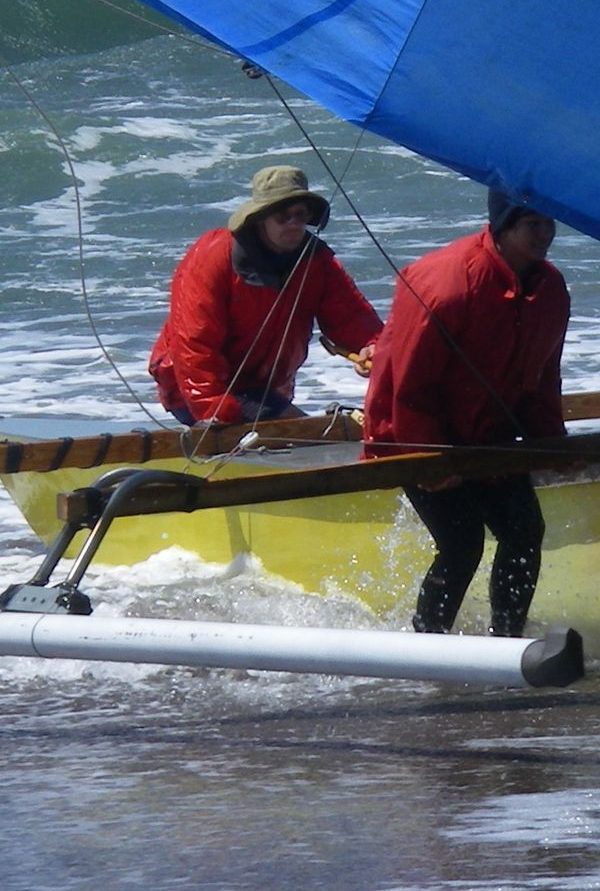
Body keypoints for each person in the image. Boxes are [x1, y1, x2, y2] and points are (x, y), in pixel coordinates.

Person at [363, 187, 570, 637]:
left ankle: (507, 640)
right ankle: (427, 643)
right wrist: (430, 459)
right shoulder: (449, 286)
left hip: (489, 433)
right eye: (532, 224)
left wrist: (552, 443)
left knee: (524, 531)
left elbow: (542, 375)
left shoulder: (549, 288)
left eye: (549, 223)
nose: (544, 234)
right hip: (409, 430)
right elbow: (410, 385)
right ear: (503, 226)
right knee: (462, 543)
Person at [147, 164, 382, 427]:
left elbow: (352, 318)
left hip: (266, 390)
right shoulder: (213, 256)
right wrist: (215, 411)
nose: (294, 224)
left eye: (300, 215)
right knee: (305, 433)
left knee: (308, 432)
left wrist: (373, 348)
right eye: (282, 216)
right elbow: (194, 344)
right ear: (261, 218)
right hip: (194, 389)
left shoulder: (317, 261)